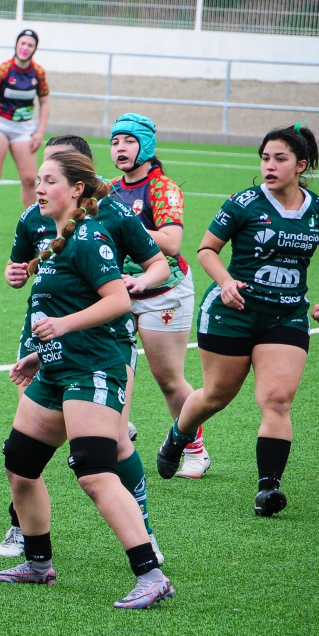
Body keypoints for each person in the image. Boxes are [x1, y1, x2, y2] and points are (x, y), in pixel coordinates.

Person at [0, 151, 174, 609]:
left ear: (76, 189)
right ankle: (37, 563)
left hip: (93, 365)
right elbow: (58, 303)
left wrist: (64, 328)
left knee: (93, 470)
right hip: (53, 367)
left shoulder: (90, 237)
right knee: (20, 464)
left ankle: (151, 574)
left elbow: (116, 301)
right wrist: (37, 354)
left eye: (50, 181)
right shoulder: (52, 239)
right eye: (39, 181)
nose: (40, 188)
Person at [158, 124, 319, 517]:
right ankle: (178, 435)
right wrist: (226, 281)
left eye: (280, 159)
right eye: (265, 158)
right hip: (231, 314)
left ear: (300, 165)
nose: (270, 165)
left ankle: (268, 488)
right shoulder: (244, 202)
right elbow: (206, 250)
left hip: (285, 315)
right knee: (217, 396)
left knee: (277, 400)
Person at [108, 113, 209, 477]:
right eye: (115, 141)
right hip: (120, 289)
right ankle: (119, 429)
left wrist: (125, 227)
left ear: (146, 146)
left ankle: (194, 448)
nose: (120, 148)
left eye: (129, 141)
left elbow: (171, 241)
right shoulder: (109, 188)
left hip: (165, 291)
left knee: (167, 378)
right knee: (108, 363)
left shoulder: (161, 187)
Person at [0, 29, 50, 235]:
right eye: (23, 44)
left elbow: (44, 101)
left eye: (30, 45)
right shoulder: (3, 69)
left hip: (23, 129)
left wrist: (39, 131)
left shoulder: (38, 73)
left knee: (29, 179)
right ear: (16, 45)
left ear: (35, 48)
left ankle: (34, 221)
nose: (25, 48)